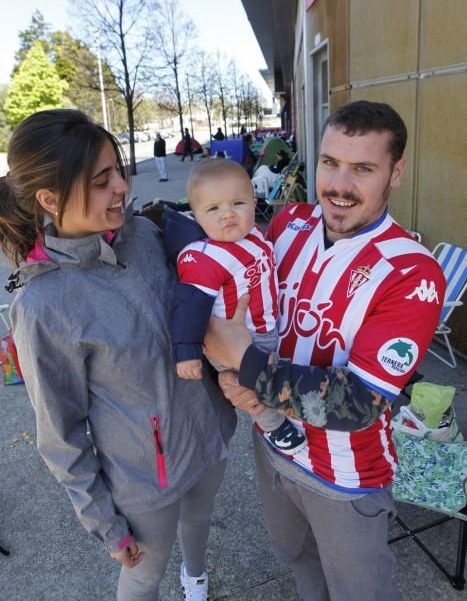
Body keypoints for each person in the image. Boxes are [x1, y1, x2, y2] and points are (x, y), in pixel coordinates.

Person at [203, 100, 446, 601]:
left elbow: (358, 403)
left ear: (396, 172)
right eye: (330, 162)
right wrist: (227, 374)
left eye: (362, 168)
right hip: (272, 447)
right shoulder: (286, 225)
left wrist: (245, 365)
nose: (339, 184)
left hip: (346, 477)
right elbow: (231, 299)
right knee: (296, 559)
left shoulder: (413, 273)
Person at [0, 109, 236, 601]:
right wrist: (104, 522)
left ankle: (195, 579)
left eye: (119, 171)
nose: (122, 188)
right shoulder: (44, 307)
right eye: (102, 180)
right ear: (50, 199)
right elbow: (59, 434)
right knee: (144, 575)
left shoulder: (145, 236)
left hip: (206, 430)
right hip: (144, 477)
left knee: (201, 517)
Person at [163, 158, 306, 455]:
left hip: (266, 327)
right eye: (213, 209)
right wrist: (186, 352)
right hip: (233, 338)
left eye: (237, 203)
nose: (227, 214)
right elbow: (189, 305)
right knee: (250, 388)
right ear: (197, 216)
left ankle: (298, 410)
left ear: (254, 203)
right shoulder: (204, 256)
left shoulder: (253, 236)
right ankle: (274, 427)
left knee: (277, 376)